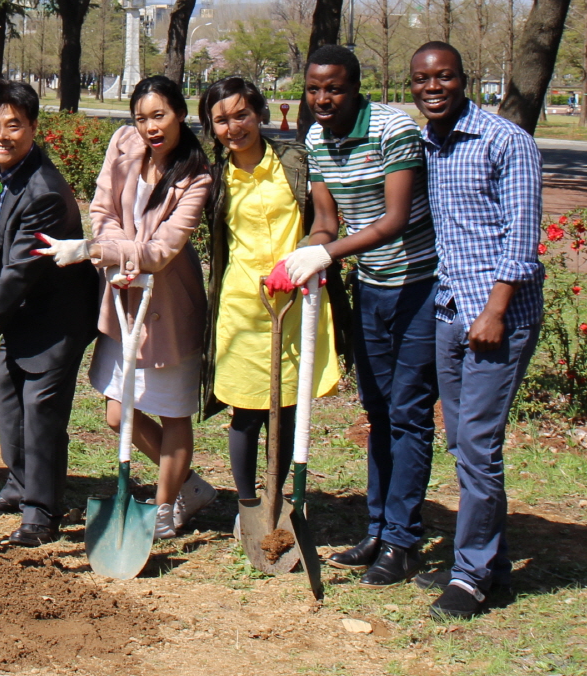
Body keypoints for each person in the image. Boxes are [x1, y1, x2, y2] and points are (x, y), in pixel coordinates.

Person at [272, 44, 438, 587]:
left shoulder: (395, 130)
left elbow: (393, 220)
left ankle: (404, 540)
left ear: (356, 87)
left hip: (418, 285)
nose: (322, 98)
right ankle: (377, 530)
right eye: (314, 88)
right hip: (370, 286)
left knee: (409, 413)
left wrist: (328, 252)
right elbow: (327, 218)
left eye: (335, 88)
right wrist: (305, 250)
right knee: (377, 410)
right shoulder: (317, 137)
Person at [37, 76, 215, 539]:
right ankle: (188, 487)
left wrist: (98, 251)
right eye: (141, 117)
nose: (150, 127)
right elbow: (103, 209)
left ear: (180, 112)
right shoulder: (123, 144)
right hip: (123, 300)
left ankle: (162, 508)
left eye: (160, 116)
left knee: (173, 412)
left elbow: (160, 252)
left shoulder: (196, 176)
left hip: (169, 306)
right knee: (119, 413)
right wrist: (111, 247)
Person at [408, 41, 544, 620]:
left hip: (498, 318)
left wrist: (494, 310)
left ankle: (469, 577)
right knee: (462, 443)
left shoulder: (504, 141)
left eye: (444, 77)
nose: (432, 87)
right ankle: (494, 565)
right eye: (421, 79)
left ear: (465, 79)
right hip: (449, 311)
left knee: (480, 448)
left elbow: (522, 238)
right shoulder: (431, 144)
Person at [0, 79, 98, 547]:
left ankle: (41, 513)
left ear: (34, 128)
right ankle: (19, 486)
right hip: (21, 309)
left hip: (58, 315)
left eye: (14, 126)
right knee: (10, 397)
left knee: (42, 410)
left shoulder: (45, 194)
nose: (1, 135)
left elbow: (18, 272)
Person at [195, 76, 341, 530]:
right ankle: (249, 507)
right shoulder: (213, 173)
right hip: (242, 304)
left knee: (288, 407)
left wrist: (304, 255)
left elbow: (324, 220)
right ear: (211, 126)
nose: (233, 126)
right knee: (245, 411)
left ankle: (279, 498)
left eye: (241, 114)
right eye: (221, 120)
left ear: (259, 112)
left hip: (295, 299)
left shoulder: (295, 160)